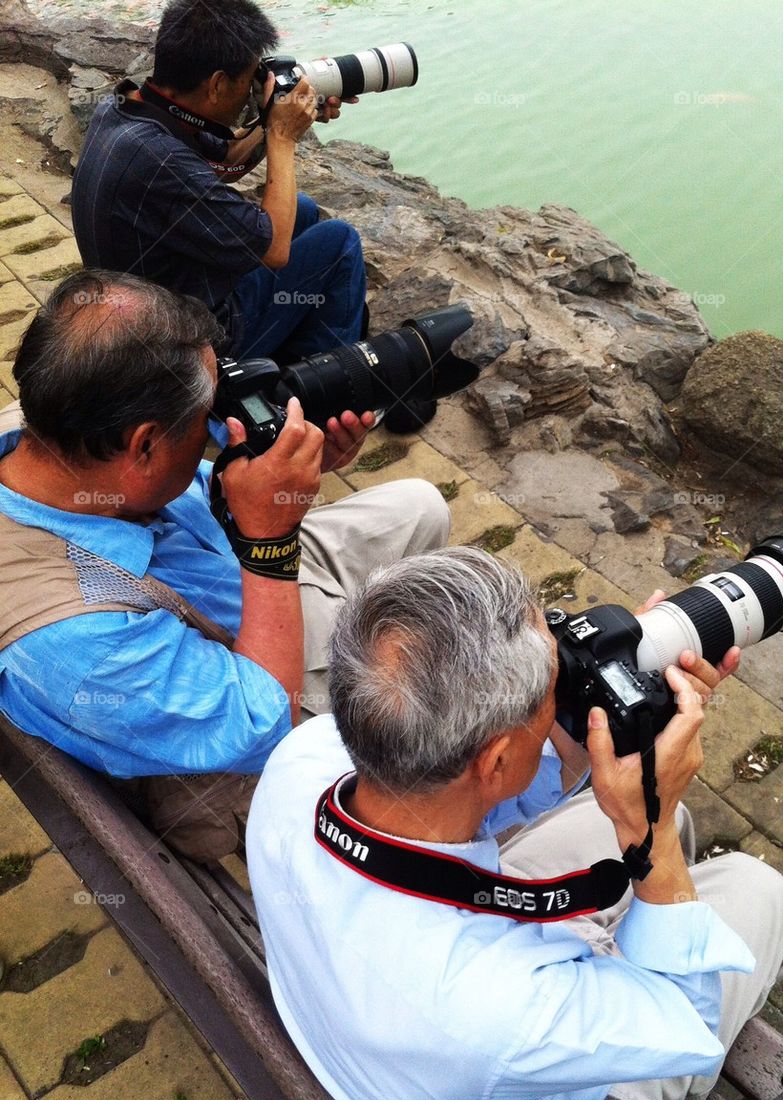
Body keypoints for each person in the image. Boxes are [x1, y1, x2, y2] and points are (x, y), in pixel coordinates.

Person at [246, 547, 783, 1100]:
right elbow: (682, 1022)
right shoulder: (494, 1011)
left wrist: (590, 711)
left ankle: (650, 894)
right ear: (496, 758)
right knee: (758, 889)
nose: (562, 686)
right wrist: (649, 828)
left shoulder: (304, 761)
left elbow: (485, 781)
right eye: (552, 691)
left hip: (390, 1017)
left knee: (615, 835)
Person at [0, 271, 449, 862]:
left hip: (231, 556)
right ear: (143, 447)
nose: (211, 423)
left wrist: (293, 456)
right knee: (449, 680)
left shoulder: (40, 425)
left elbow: (210, 467)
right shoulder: (80, 643)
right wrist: (270, 540)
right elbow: (265, 716)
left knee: (421, 505)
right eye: (200, 417)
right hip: (255, 670)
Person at [71, 0, 365, 361]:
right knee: (340, 243)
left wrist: (276, 117)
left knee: (301, 211)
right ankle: (323, 387)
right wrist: (283, 137)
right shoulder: (160, 160)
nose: (251, 89)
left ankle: (293, 343)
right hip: (182, 342)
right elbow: (274, 250)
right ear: (217, 85)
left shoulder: (125, 107)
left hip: (144, 297)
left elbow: (227, 156)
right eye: (249, 79)